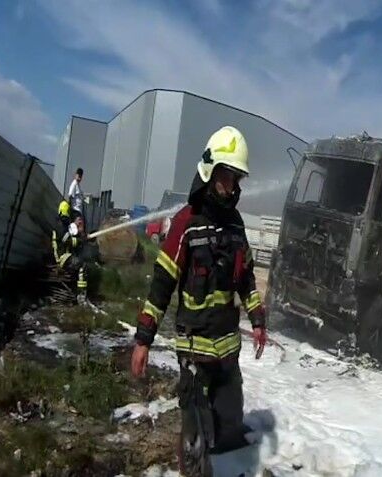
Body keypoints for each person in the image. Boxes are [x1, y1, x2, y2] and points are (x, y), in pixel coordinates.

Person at [130, 126, 267, 476]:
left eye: (237, 178)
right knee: (195, 435)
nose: (233, 186)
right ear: (209, 171)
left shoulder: (235, 225)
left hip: (228, 350)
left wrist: (258, 320)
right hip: (194, 350)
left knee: (230, 423)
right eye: (227, 175)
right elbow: (162, 284)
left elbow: (247, 278)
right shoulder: (185, 224)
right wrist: (143, 340)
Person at [52, 200, 88, 304]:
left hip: (65, 256)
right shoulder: (60, 225)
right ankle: (81, 294)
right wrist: (80, 240)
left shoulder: (61, 224)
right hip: (62, 258)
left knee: (80, 261)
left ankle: (78, 292)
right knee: (82, 265)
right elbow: (67, 241)